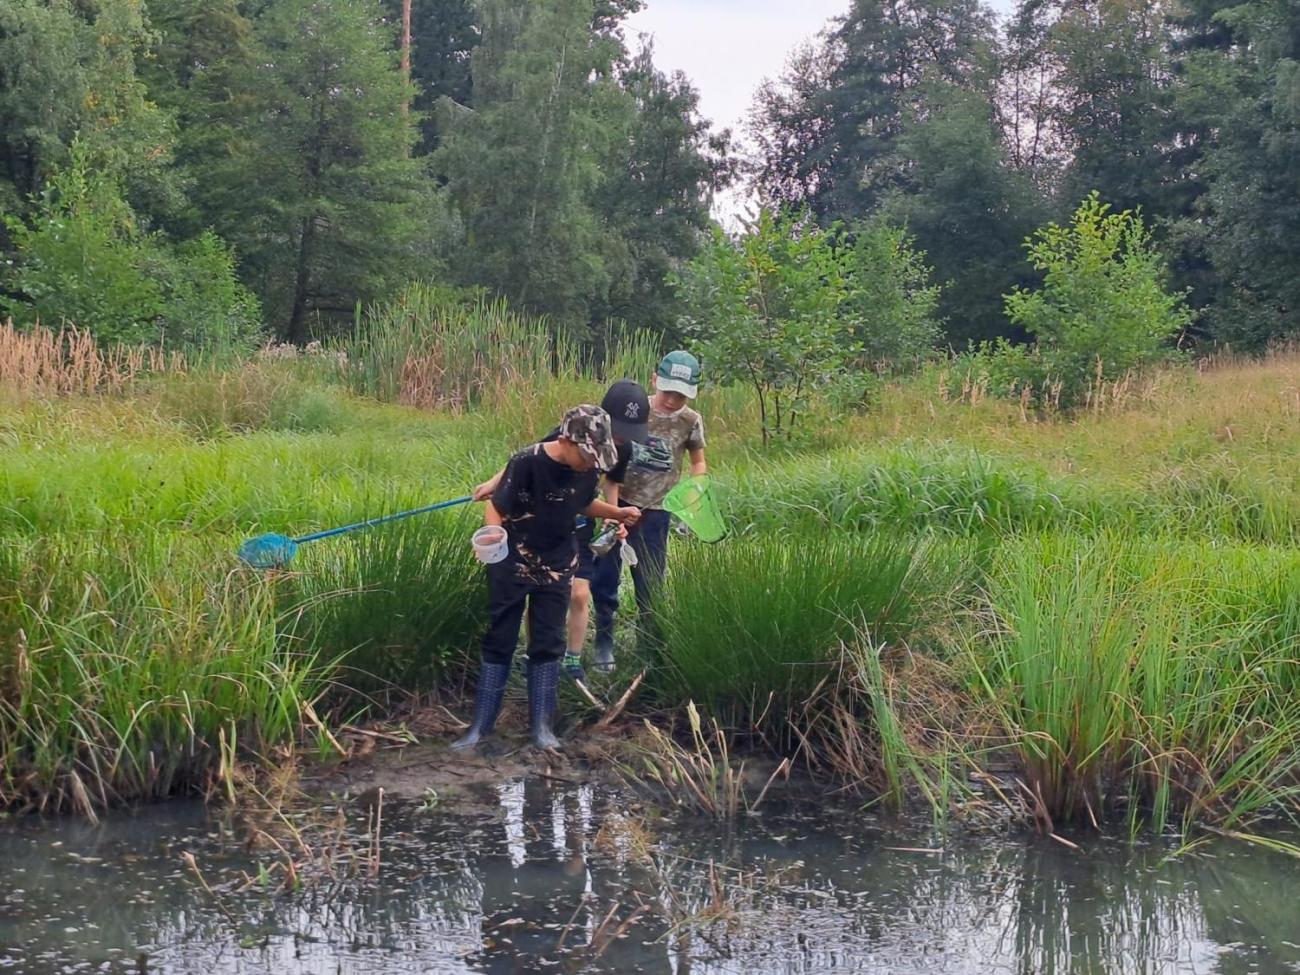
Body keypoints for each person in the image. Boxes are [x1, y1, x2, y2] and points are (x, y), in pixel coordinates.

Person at [453, 405, 640, 752]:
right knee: (501, 635)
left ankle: (541, 729)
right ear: (567, 440)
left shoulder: (586, 470)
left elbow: (583, 504)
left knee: (549, 640)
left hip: (558, 562)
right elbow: (497, 503)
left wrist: (616, 512)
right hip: (514, 559)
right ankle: (480, 727)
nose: (591, 464)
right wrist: (492, 531)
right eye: (587, 455)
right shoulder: (526, 462)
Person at [471, 380, 650, 682]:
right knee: (529, 599)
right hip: (539, 526)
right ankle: (528, 657)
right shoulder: (575, 434)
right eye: (619, 430)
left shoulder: (613, 452)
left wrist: (615, 515)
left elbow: (603, 488)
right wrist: (494, 483)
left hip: (573, 526)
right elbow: (528, 458)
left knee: (574, 595)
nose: (621, 439)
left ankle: (568, 660)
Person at [591, 351, 707, 671]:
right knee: (605, 577)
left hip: (657, 510)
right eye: (668, 391)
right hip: (618, 503)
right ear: (655, 379)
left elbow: (698, 462)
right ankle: (603, 642)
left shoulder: (690, 421)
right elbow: (610, 464)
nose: (672, 400)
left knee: (651, 581)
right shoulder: (636, 409)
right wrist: (610, 513)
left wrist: (695, 489)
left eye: (680, 395)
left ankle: (650, 647)